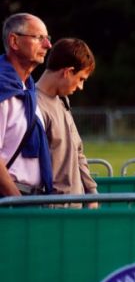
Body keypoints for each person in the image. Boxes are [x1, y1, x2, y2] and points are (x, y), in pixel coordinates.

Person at [36, 38, 98, 206]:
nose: (81, 87)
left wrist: (92, 192)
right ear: (68, 72)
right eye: (81, 79)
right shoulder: (34, 106)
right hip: (53, 212)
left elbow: (77, 151)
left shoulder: (63, 101)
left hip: (73, 208)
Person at [0, 13, 53, 196]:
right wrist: (16, 200)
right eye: (39, 38)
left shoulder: (27, 91)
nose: (48, 45)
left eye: (47, 38)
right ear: (14, 41)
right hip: (11, 202)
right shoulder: (2, 89)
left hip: (30, 198)